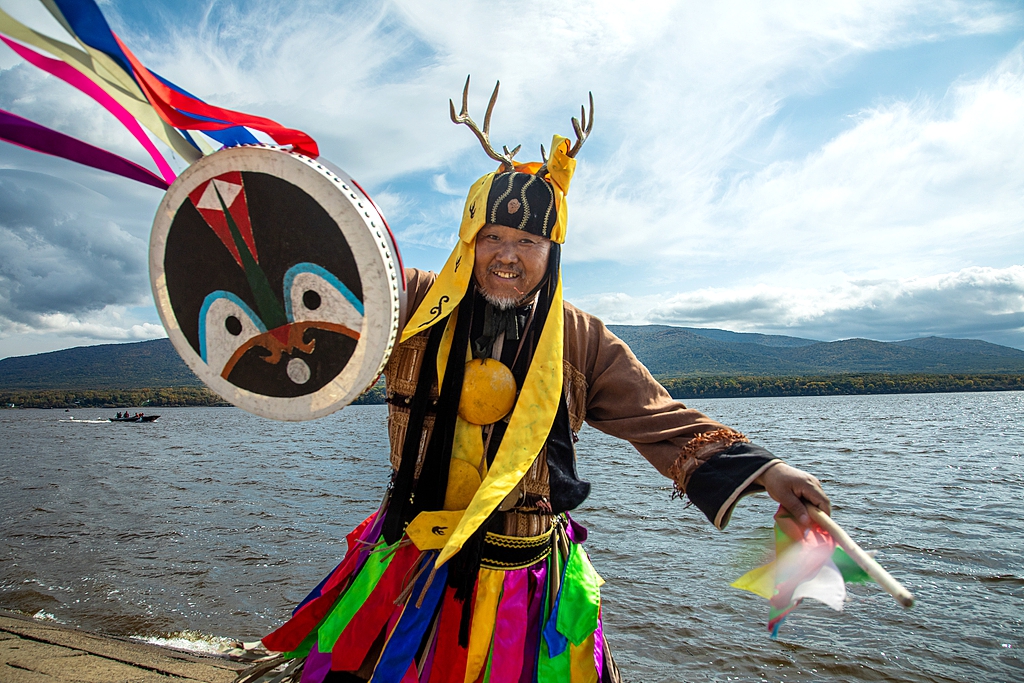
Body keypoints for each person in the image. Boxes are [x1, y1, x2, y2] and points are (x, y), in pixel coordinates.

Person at [250, 82, 830, 683]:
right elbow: (334, 266)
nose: (507, 254)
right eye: (493, 237)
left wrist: (769, 472)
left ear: (553, 250)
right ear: (468, 240)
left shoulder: (581, 339)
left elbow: (661, 417)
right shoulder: (414, 300)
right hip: (410, 555)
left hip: (524, 575)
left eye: (527, 240)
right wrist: (271, 192)